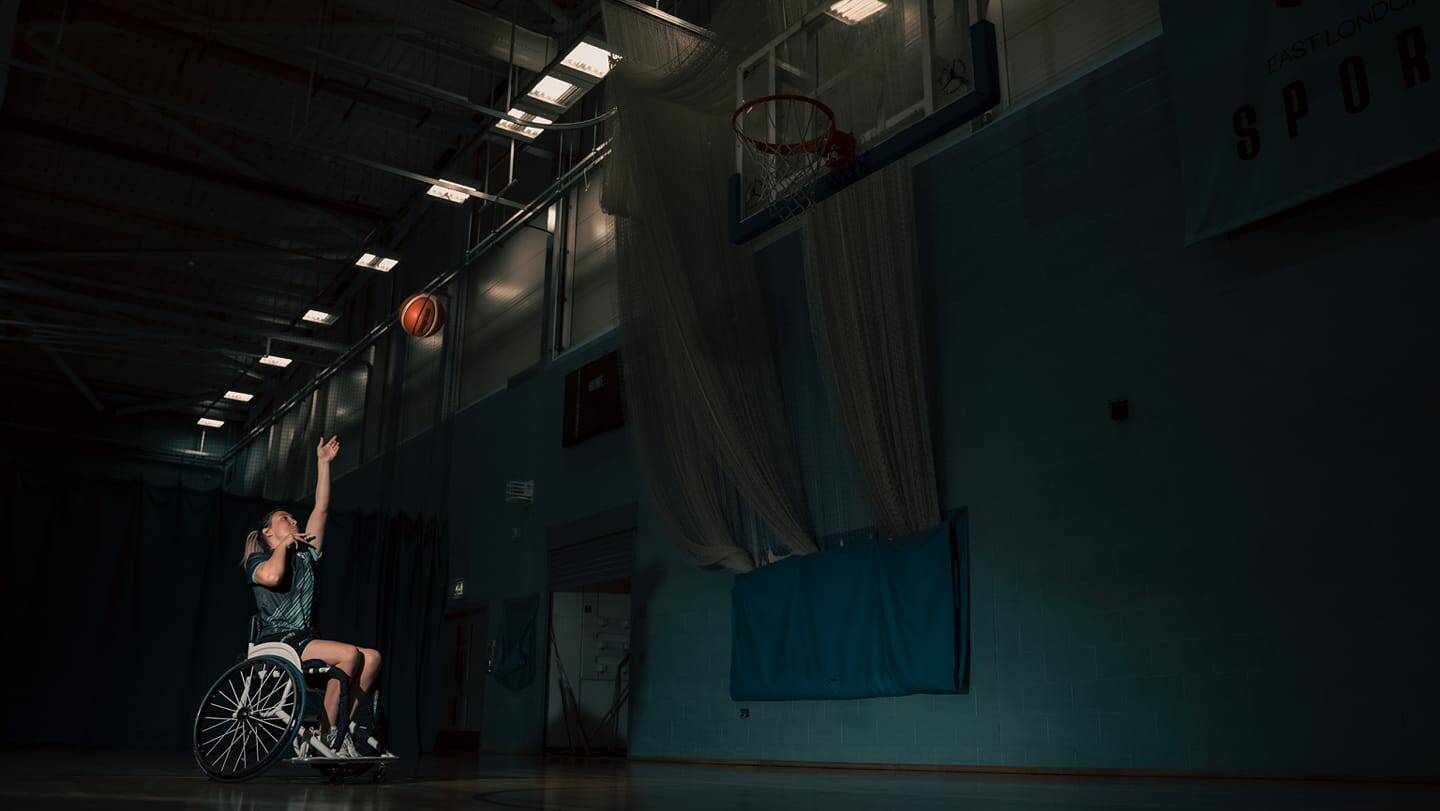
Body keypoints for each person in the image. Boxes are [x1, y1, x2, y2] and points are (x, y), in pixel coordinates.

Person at [240, 435, 391, 758]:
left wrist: (323, 464)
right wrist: (284, 546)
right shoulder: (258, 560)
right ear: (268, 532)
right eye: (285, 519)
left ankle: (336, 731)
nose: (293, 521)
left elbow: (321, 509)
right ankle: (327, 733)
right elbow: (273, 576)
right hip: (278, 641)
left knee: (373, 656)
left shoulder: (306, 555)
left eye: (294, 519)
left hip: (305, 639)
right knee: (349, 654)